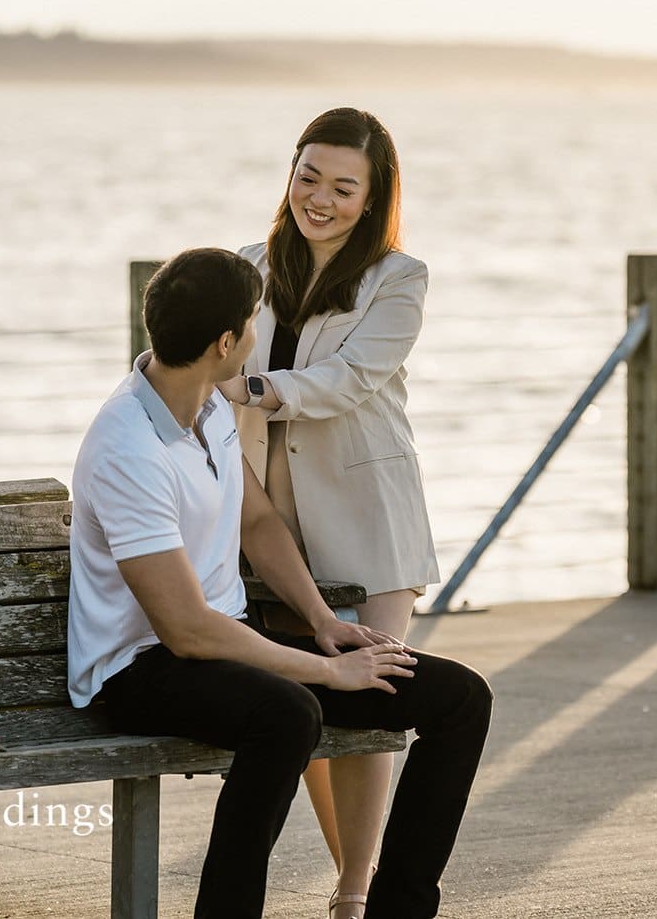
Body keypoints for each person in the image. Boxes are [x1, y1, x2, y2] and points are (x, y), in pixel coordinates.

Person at [67, 247, 491, 919]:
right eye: (253, 321)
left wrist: (324, 623)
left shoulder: (205, 407)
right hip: (140, 668)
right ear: (227, 341)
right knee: (288, 713)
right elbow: (184, 628)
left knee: (460, 698)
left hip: (226, 641)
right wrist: (327, 674)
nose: (262, 334)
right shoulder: (128, 446)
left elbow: (258, 521)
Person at [218, 107, 436, 917]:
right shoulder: (247, 264)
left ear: (372, 198)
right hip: (266, 517)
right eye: (309, 175)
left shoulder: (398, 278)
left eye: (345, 187)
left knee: (372, 703)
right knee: (300, 697)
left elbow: (350, 377)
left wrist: (253, 389)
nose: (321, 197)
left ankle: (351, 897)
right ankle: (361, 875)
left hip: (367, 513)